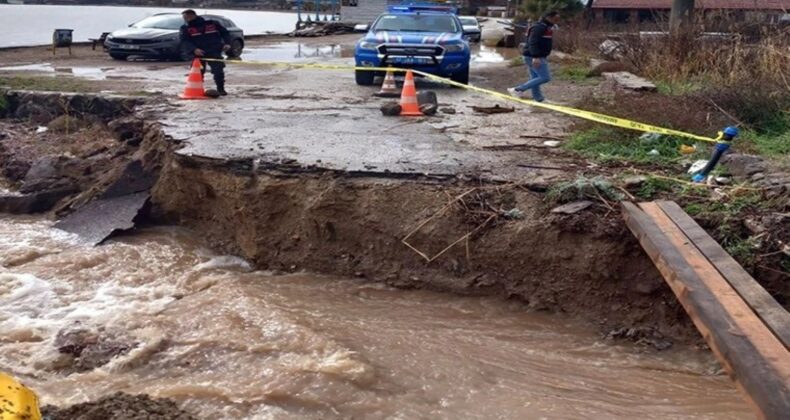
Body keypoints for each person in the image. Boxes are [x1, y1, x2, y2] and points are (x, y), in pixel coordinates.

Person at [508, 10, 560, 102]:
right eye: (555, 19)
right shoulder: (539, 27)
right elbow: (533, 42)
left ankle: (539, 99)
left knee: (535, 78)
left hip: (535, 56)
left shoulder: (546, 27)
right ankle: (517, 89)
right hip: (534, 56)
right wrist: (536, 57)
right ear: (548, 17)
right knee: (545, 77)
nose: (557, 21)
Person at [179, 9, 231, 95]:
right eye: (184, 18)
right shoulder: (185, 28)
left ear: (193, 15)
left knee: (218, 71)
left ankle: (221, 89)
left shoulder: (211, 23)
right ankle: (197, 89)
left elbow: (225, 33)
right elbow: (184, 41)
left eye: (186, 17)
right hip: (198, 53)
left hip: (214, 51)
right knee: (197, 73)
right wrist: (194, 49)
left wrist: (227, 43)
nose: (185, 19)